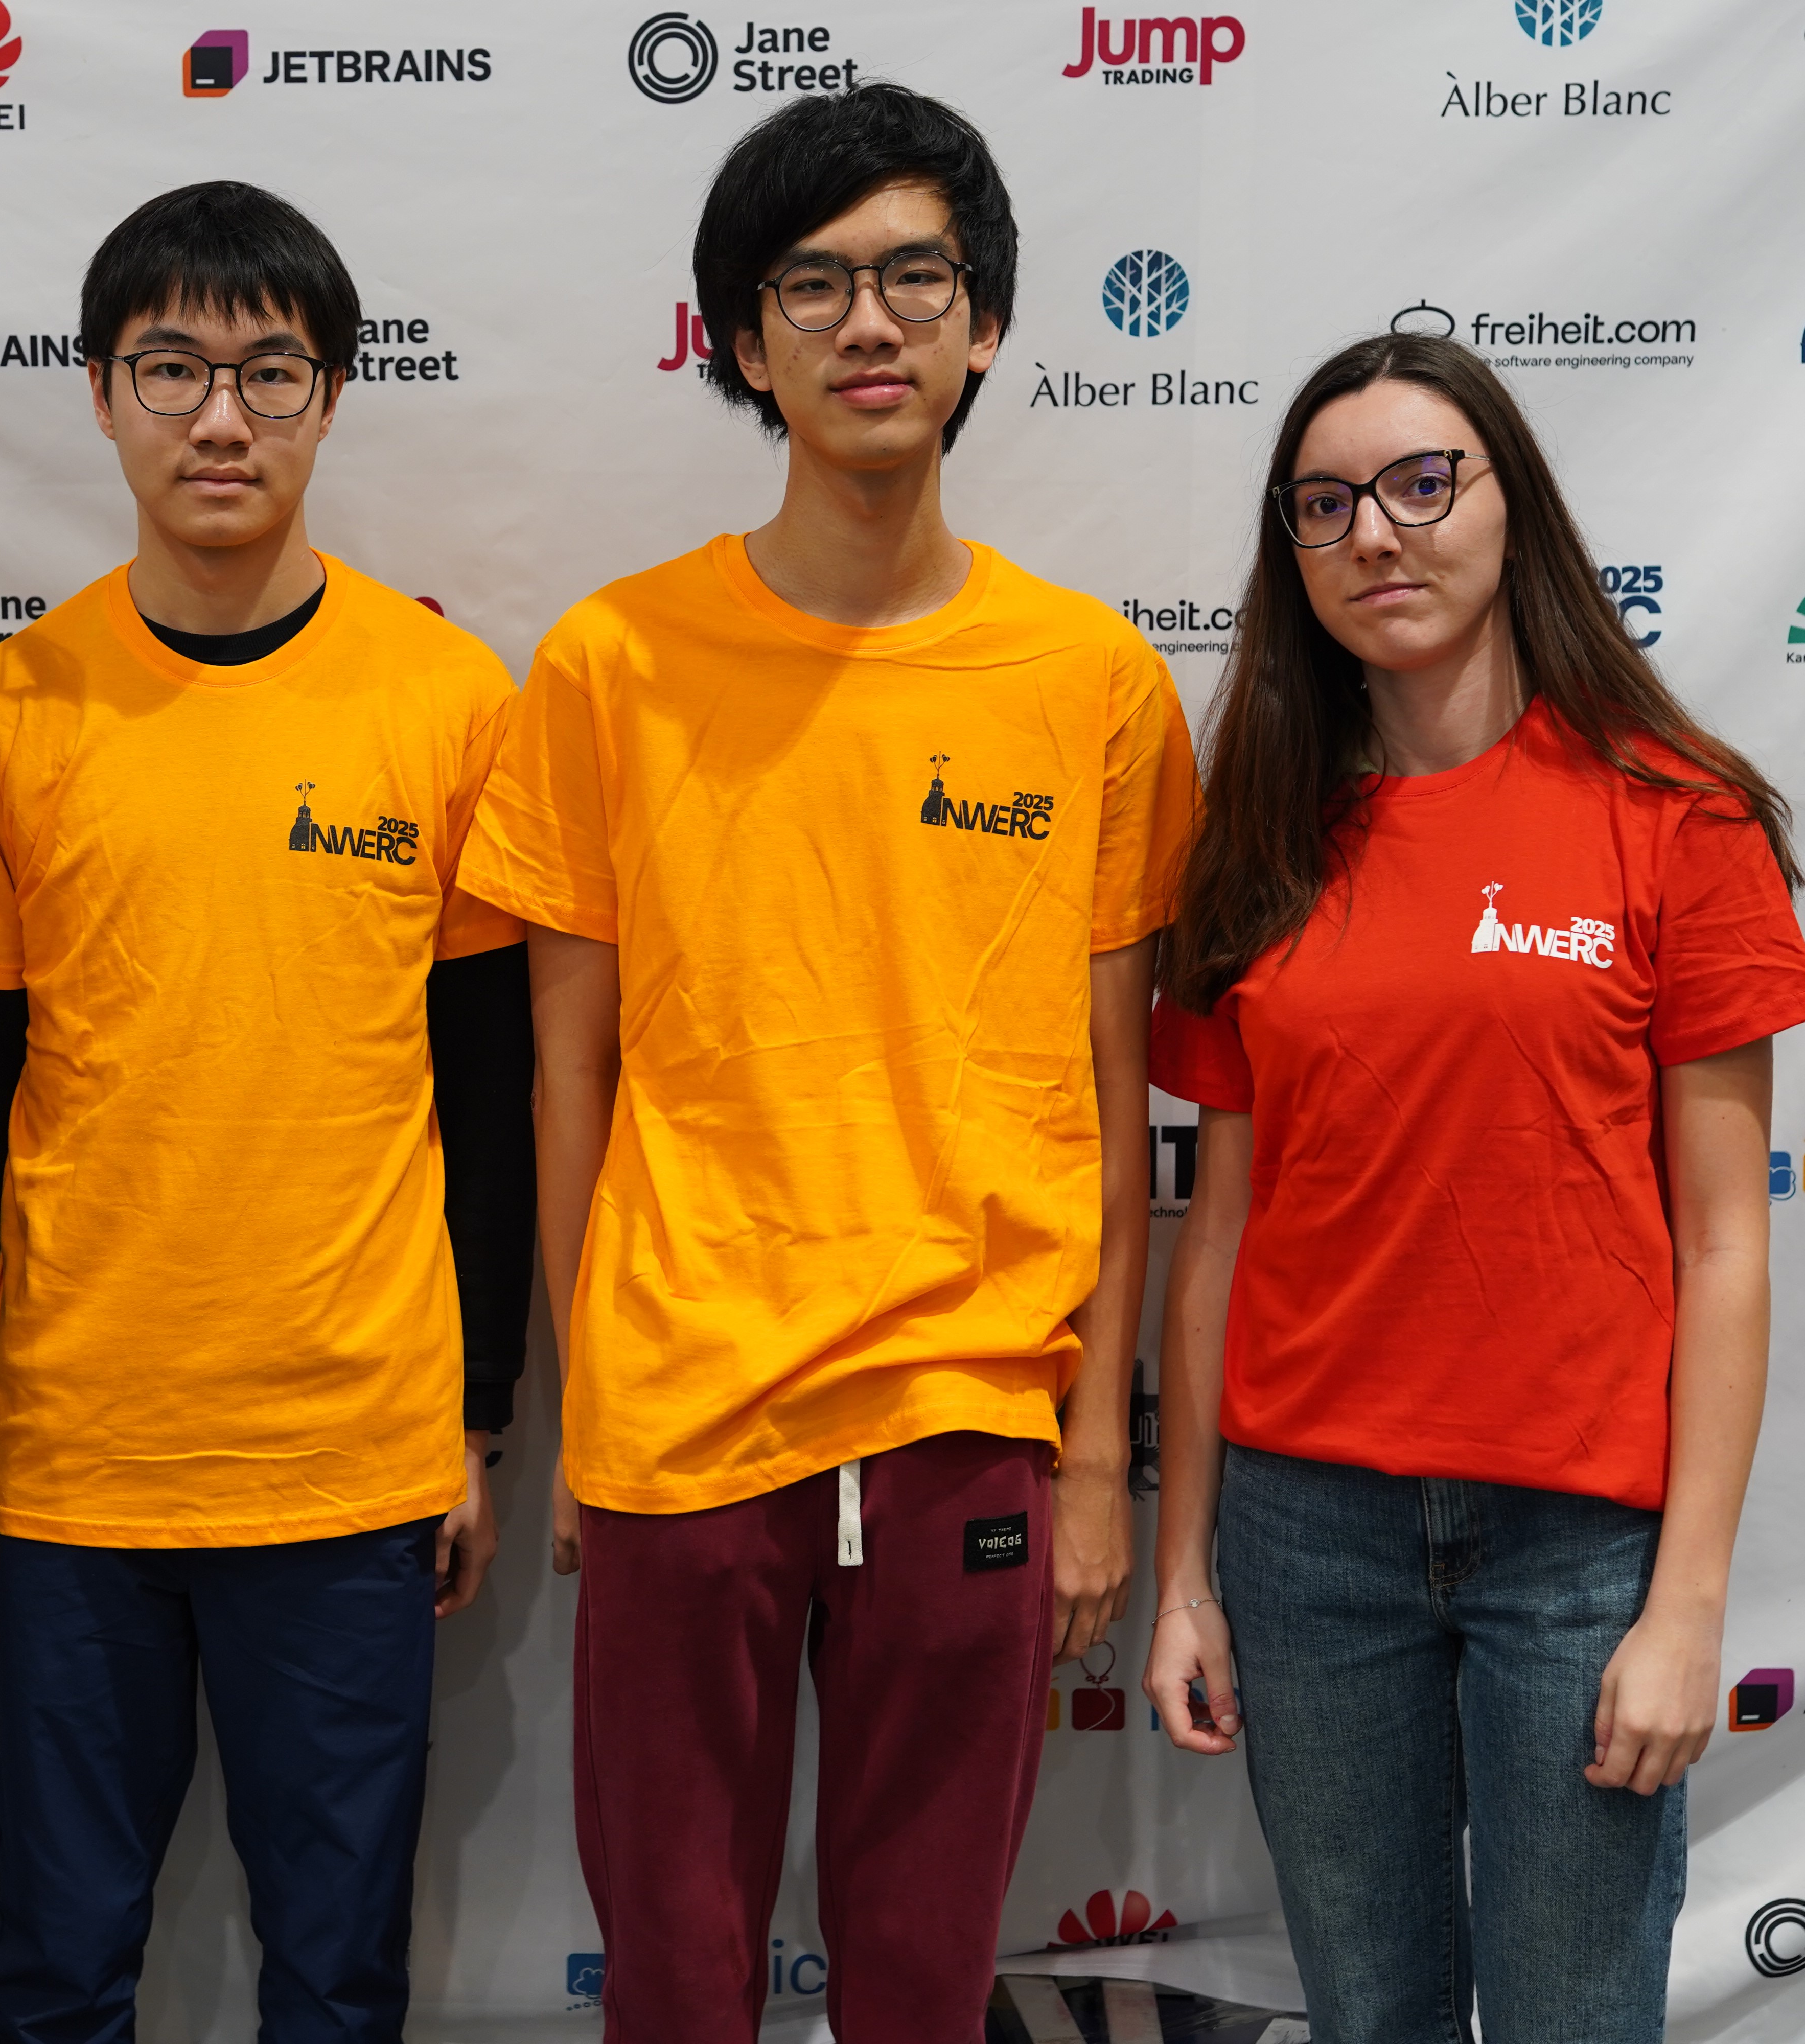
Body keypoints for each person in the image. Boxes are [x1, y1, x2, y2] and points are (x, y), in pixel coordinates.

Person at [459, 86, 1196, 2042]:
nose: (869, 322)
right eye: (813, 284)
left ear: (985, 323)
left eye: (915, 278)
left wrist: (1094, 1459)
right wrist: (592, 1405)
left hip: (971, 1406)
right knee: (673, 1979)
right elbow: (567, 1074)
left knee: (926, 1983)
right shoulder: (612, 665)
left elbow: (1112, 1099)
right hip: (685, 1415)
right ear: (741, 338)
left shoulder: (1094, 682)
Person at [0, 181, 534, 2044]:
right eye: (171, 369)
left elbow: (483, 1097)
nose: (222, 417)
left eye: (271, 370)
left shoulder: (445, 697)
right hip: (75, 1458)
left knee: (337, 1973)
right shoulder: (6, 715)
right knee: (58, 1966)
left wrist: (476, 1419)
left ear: (332, 396)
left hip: (350, 1448)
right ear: (102, 394)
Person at [1138, 333, 1805, 2040]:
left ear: (1516, 507)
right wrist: (1185, 1573)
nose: (1376, 532)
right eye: (1325, 504)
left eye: (1422, 483)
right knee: (1368, 2017)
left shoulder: (1677, 817)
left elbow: (1727, 1242)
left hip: (1579, 1546)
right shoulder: (1259, 843)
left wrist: (1688, 1604)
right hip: (1309, 1542)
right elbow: (1216, 1238)